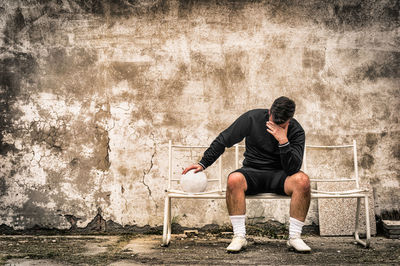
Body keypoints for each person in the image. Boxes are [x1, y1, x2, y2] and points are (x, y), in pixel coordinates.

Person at [182, 96, 311, 253]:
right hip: (253, 172)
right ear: (269, 112)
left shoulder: (296, 130)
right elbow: (225, 139)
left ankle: (295, 238)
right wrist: (203, 163)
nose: (275, 126)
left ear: (289, 120)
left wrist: (283, 141)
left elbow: (293, 169)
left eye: (281, 124)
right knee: (234, 179)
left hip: (281, 175)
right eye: (273, 121)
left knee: (302, 181)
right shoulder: (253, 118)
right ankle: (239, 236)